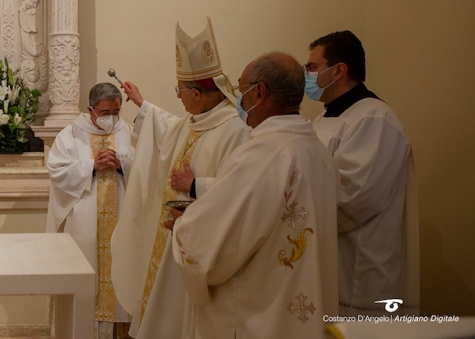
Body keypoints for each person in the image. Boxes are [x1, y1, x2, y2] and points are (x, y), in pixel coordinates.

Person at [168, 52, 339, 339]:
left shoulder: (262, 153)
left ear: (259, 92)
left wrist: (184, 225)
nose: (239, 99)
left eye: (240, 89)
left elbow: (217, 244)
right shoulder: (318, 151)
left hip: (258, 316)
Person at [111, 17, 250, 339]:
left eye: (181, 90)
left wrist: (196, 186)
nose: (178, 97)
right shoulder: (193, 122)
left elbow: (243, 190)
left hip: (202, 244)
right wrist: (143, 104)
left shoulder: (236, 130)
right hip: (172, 237)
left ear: (199, 95)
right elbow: (166, 129)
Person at [304, 30, 419, 316]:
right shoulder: (324, 118)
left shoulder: (375, 118)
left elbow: (351, 195)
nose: (307, 76)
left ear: (339, 70)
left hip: (358, 268)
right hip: (326, 259)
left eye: (312, 68)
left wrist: (291, 212)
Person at [46, 82, 134, 339]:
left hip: (121, 219)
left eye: (116, 112)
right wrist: (91, 166)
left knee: (121, 273)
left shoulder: (126, 131)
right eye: (105, 113)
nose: (112, 119)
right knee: (86, 273)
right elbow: (57, 171)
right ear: (91, 109)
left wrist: (122, 165)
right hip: (85, 222)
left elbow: (143, 168)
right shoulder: (70, 134)